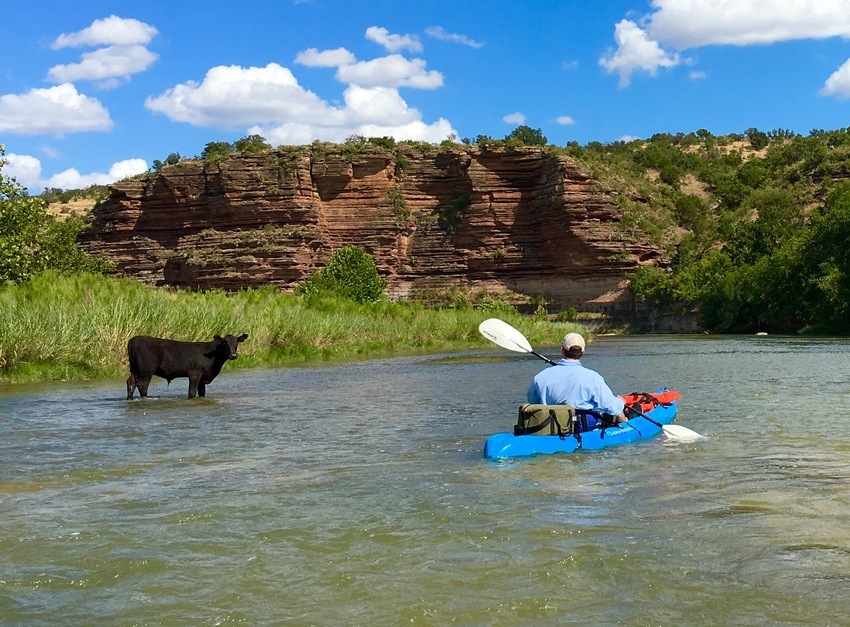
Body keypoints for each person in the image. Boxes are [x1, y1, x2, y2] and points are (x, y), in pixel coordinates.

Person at [526, 332, 627, 425]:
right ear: (583, 352)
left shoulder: (541, 376)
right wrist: (621, 402)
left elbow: (532, 400)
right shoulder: (592, 377)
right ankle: (625, 423)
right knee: (616, 413)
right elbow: (610, 406)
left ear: (562, 350)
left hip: (549, 425)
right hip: (580, 428)